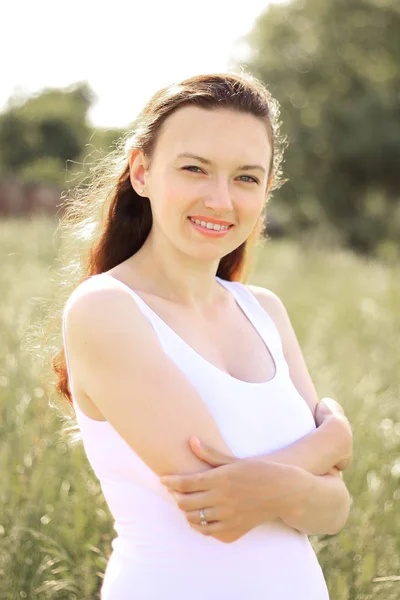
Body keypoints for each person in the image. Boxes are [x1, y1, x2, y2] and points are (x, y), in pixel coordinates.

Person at [58, 72, 353, 599]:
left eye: (245, 177)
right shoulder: (106, 309)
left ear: (266, 190)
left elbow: (336, 510)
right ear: (142, 172)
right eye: (195, 169)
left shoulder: (263, 310)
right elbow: (218, 507)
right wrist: (330, 441)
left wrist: (295, 486)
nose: (220, 199)